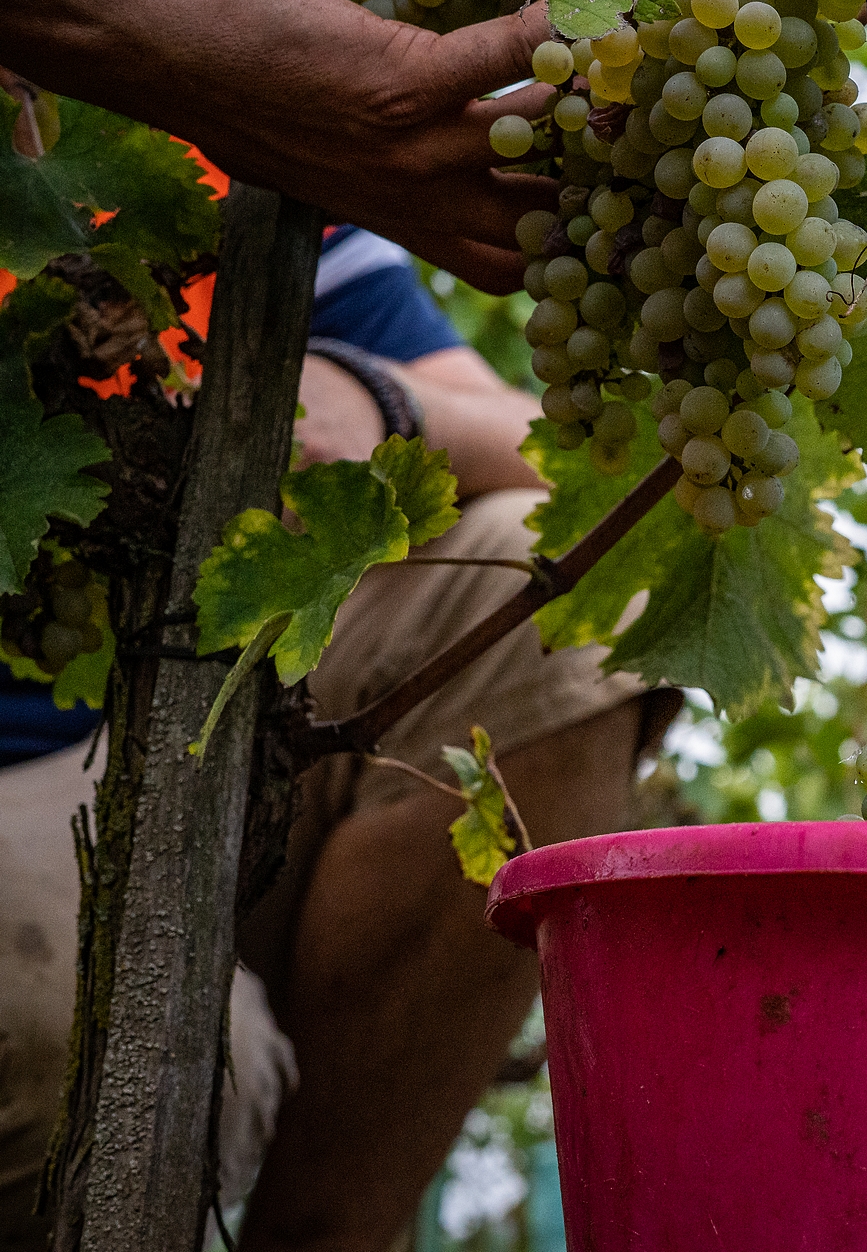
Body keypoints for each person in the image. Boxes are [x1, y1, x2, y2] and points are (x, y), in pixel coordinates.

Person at [0, 222, 680, 1252]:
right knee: (111, 1067)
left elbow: (534, 442)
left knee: (559, 613)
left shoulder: (234, 146)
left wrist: (387, 403)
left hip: (193, 711)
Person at [0, 0, 553, 294]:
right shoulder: (302, 148)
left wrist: (379, 395)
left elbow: (465, 401)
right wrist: (136, 24)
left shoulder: (319, 174)